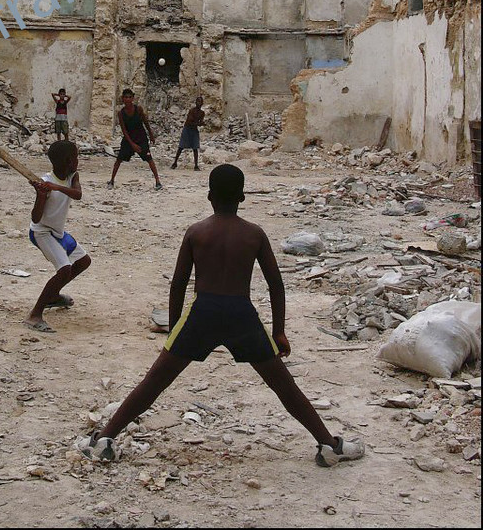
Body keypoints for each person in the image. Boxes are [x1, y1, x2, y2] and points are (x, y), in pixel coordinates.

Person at [81, 164, 364, 468]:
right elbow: (275, 285)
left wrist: (175, 328)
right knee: (283, 386)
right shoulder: (254, 234)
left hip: (202, 312)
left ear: (209, 196)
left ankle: (105, 439)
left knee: (155, 381)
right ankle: (328, 444)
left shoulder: (196, 232)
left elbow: (178, 284)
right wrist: (278, 331)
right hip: (241, 314)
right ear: (242, 197)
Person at [25, 140, 91, 334]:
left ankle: (52, 296)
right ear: (69, 160)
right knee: (64, 269)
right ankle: (34, 315)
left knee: (83, 261)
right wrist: (41, 195)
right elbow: (36, 218)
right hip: (42, 232)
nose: (78, 161)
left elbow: (77, 194)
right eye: (76, 158)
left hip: (58, 233)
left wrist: (55, 188)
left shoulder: (72, 177)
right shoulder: (45, 182)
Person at [108, 88, 162, 191]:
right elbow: (124, 130)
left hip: (141, 137)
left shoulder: (138, 109)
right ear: (122, 99)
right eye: (125, 97)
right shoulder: (121, 113)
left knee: (149, 159)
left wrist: (151, 135)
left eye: (129, 97)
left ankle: (158, 181)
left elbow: (145, 122)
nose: (128, 99)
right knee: (119, 160)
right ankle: (112, 180)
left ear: (132, 98)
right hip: (129, 139)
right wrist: (132, 144)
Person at [171, 96, 205, 170]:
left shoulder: (202, 113)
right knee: (181, 146)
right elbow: (190, 122)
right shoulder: (192, 111)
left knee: (195, 147)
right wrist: (199, 123)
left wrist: (200, 123)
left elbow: (199, 121)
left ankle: (196, 165)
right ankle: (175, 163)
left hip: (194, 129)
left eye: (200, 102)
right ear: (195, 102)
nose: (199, 103)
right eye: (198, 101)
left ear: (202, 103)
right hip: (187, 129)